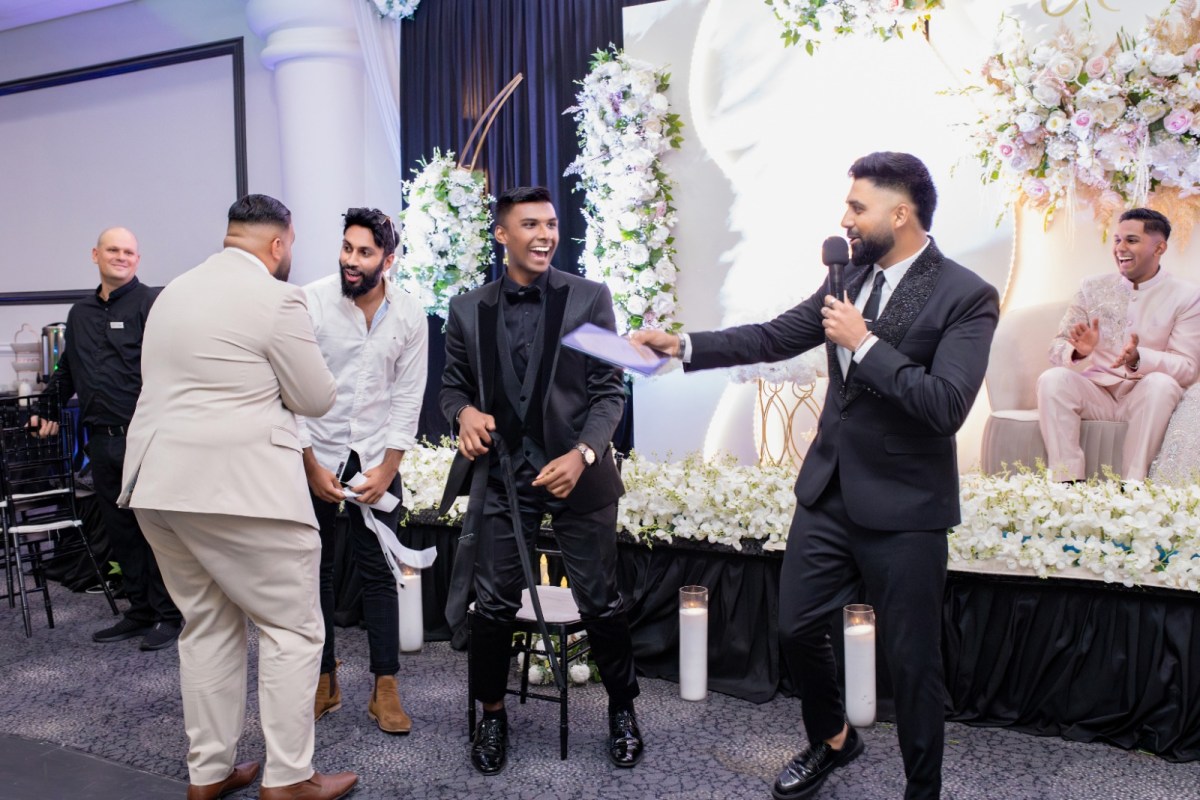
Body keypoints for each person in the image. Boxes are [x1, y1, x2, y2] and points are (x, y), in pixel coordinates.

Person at [633, 152, 999, 800]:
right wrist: (683, 345)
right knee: (795, 627)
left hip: (907, 507)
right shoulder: (848, 275)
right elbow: (775, 336)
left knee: (912, 662)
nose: (845, 219)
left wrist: (865, 344)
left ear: (901, 213)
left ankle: (923, 791)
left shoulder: (966, 294)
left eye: (858, 206)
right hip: (829, 491)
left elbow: (946, 406)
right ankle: (833, 738)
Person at [120, 195, 357, 800]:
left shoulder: (172, 293)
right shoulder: (279, 298)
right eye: (291, 245)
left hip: (157, 482)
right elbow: (315, 397)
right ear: (278, 244)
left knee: (206, 625)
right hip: (241, 490)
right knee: (292, 629)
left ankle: (209, 772)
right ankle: (289, 778)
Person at [439, 186, 643, 775]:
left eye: (550, 224)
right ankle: (492, 714)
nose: (545, 235)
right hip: (504, 476)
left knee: (600, 600)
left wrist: (583, 453)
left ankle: (622, 710)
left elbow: (609, 391)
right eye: (530, 225)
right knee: (493, 603)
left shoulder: (589, 299)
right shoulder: (467, 309)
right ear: (502, 234)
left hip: (579, 474)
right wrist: (463, 413)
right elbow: (451, 388)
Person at [299, 207, 428, 733]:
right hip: (317, 451)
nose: (351, 261)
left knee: (379, 570)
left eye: (365, 253)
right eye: (347, 248)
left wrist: (389, 466)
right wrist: (308, 463)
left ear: (388, 260)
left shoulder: (410, 314)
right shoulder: (311, 302)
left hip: (375, 456)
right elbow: (290, 389)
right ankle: (324, 678)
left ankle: (384, 687)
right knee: (315, 571)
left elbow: (408, 396)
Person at [35, 227, 182, 650]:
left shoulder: (151, 303)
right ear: (95, 255)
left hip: (145, 439)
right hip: (100, 441)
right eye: (113, 250)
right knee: (120, 532)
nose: (121, 256)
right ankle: (140, 611)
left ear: (138, 259)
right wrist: (46, 409)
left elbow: (173, 365)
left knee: (155, 531)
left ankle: (169, 615)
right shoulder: (79, 313)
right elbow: (68, 368)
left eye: (129, 252)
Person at [1037, 208, 1200, 482]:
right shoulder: (1091, 287)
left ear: (1159, 248)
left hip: (1146, 395)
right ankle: (1066, 482)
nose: (1120, 248)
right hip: (1097, 392)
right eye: (1117, 240)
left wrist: (1139, 358)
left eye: (1131, 240)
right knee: (1052, 379)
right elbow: (1057, 348)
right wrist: (1078, 351)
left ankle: (1133, 486)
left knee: (1161, 384)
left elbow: (1188, 368)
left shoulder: (1187, 296)